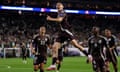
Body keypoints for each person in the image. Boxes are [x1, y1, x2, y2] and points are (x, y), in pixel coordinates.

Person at [46, 2, 88, 71]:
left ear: (62, 6)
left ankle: (88, 55)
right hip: (61, 33)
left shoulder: (62, 12)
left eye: (59, 5)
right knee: (54, 47)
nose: (58, 6)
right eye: (57, 5)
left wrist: (50, 18)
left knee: (76, 45)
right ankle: (53, 65)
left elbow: (60, 20)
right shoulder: (59, 13)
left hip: (66, 31)